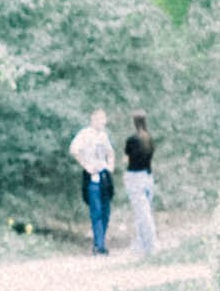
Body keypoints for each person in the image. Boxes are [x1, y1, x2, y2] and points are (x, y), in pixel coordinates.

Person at [67, 107, 115, 256]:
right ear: (93, 119)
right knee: (97, 210)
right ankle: (98, 245)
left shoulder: (104, 136)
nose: (103, 122)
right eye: (100, 118)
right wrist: (86, 165)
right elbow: (73, 150)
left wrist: (110, 167)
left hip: (104, 176)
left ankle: (101, 241)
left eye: (104, 119)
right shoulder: (85, 134)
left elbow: (110, 152)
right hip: (92, 177)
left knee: (106, 211)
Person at [122, 111, 158, 258]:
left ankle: (150, 246)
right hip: (148, 177)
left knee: (142, 214)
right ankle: (140, 245)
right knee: (145, 211)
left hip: (134, 177)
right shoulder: (150, 139)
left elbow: (126, 159)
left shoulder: (132, 140)